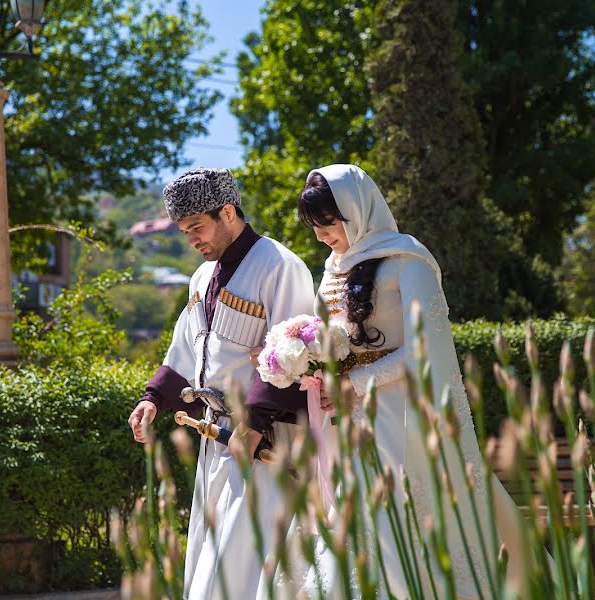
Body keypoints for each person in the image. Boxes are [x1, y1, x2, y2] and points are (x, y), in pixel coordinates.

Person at [262, 164, 530, 599]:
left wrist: (358, 381)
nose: (321, 236)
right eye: (314, 227)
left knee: (402, 516)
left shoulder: (410, 261)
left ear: (356, 209)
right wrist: (310, 363)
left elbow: (428, 348)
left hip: (405, 416)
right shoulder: (332, 268)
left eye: (328, 223)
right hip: (349, 419)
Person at [126, 167, 315, 599]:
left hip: (264, 442)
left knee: (248, 560)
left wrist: (253, 425)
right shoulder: (200, 277)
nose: (191, 239)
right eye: (184, 231)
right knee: (213, 561)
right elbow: (185, 351)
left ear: (228, 212)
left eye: (197, 227)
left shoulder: (280, 266)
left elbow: (294, 357)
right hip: (217, 440)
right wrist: (153, 398)